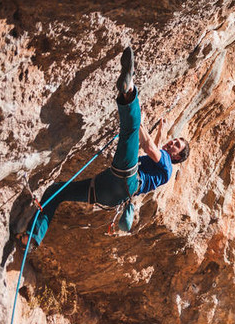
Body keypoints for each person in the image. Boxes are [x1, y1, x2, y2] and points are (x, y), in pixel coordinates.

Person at [17, 46, 189, 247]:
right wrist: (158, 130)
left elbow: (150, 147)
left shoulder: (167, 165)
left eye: (176, 144)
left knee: (129, 129)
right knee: (57, 191)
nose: (172, 142)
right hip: (109, 194)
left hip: (126, 179)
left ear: (177, 157)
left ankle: (129, 88)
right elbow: (151, 147)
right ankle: (32, 238)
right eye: (174, 140)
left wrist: (142, 123)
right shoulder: (161, 166)